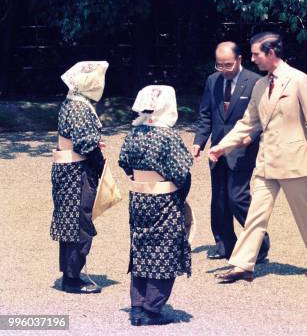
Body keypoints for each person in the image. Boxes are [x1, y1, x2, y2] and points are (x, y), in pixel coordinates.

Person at [208, 32, 307, 283]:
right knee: (256, 212)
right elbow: (248, 123)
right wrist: (222, 147)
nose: (253, 59)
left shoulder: (299, 80)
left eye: (256, 54)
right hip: (267, 160)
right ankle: (243, 264)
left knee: (303, 211)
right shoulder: (260, 85)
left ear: (272, 52)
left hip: (293, 159)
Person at [119, 85, 193, 325]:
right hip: (163, 198)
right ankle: (152, 309)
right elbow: (182, 173)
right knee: (164, 251)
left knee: (141, 247)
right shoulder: (168, 136)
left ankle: (137, 306)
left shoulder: (134, 133)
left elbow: (124, 162)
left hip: (139, 197)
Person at [192, 41, 270, 262]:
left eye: (227, 65)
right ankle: (225, 245)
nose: (223, 70)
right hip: (217, 150)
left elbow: (263, 118)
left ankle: (260, 244)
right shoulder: (212, 81)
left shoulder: (256, 82)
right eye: (219, 65)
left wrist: (251, 137)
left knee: (237, 197)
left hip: (242, 150)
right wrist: (199, 142)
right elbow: (206, 114)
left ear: (239, 60)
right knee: (219, 199)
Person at [51, 60, 108, 294]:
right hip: (77, 170)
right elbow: (85, 144)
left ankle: (70, 273)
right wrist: (101, 165)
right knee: (79, 221)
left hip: (66, 167)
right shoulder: (80, 108)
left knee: (70, 221)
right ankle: (72, 278)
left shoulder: (71, 102)